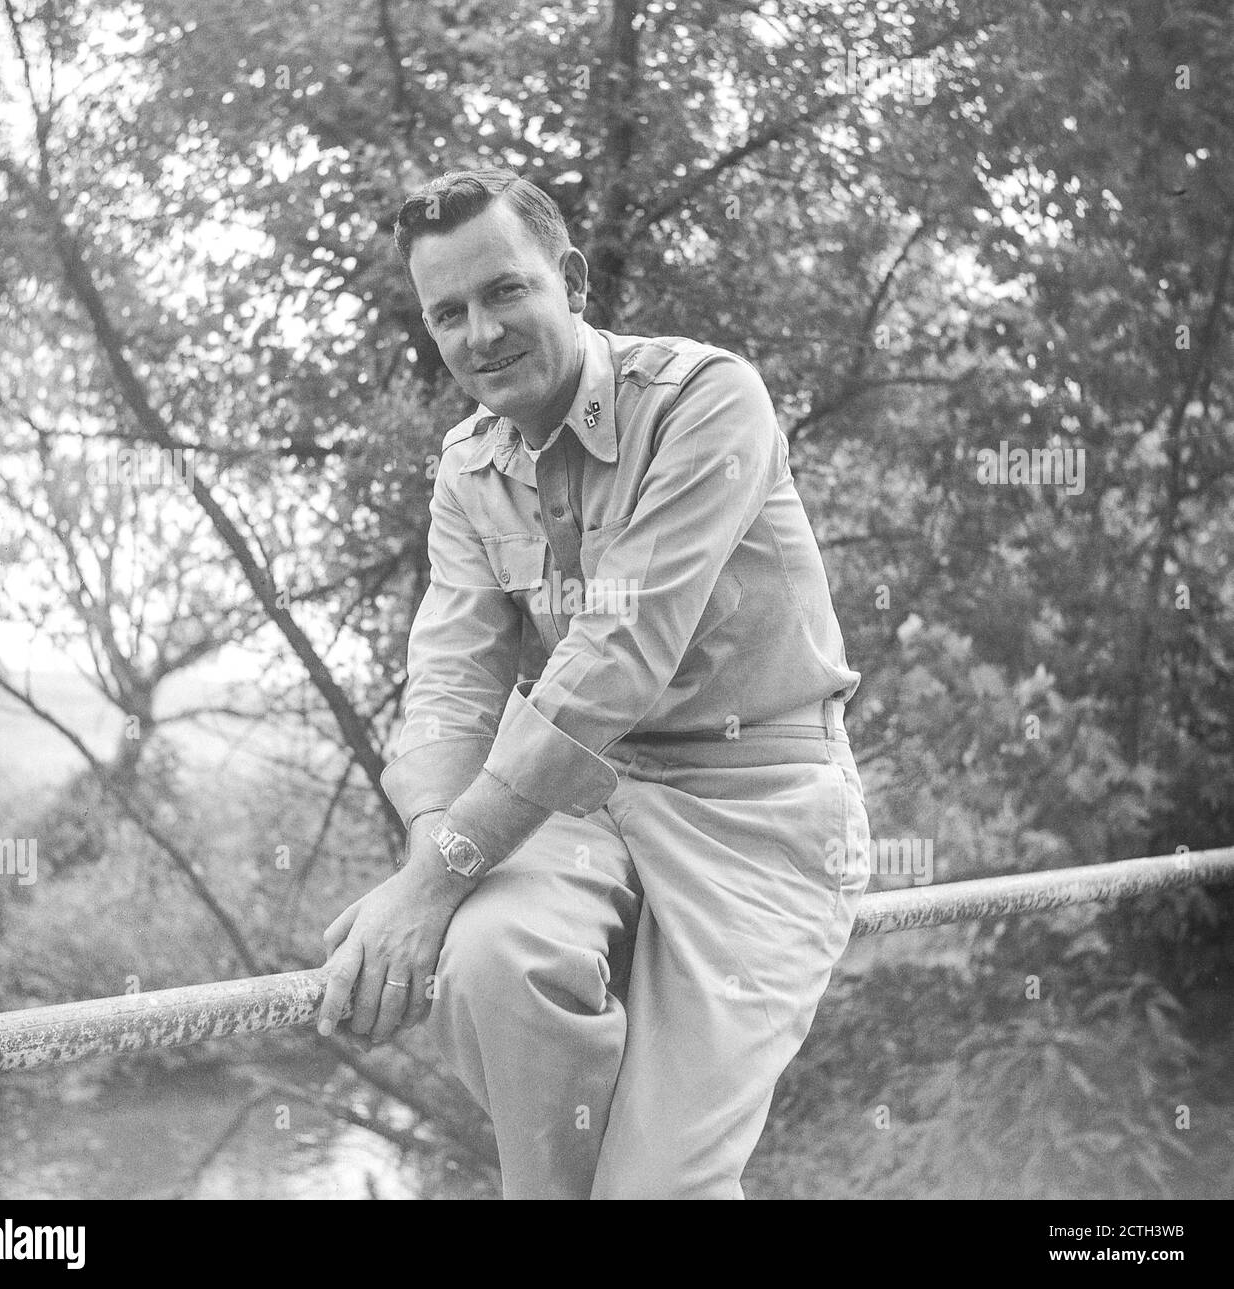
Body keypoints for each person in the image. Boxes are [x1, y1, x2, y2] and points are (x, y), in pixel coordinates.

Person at [318, 168, 870, 1199]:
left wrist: (433, 879)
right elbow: (449, 684)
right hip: (590, 801)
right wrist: (427, 870)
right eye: (448, 312)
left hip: (761, 806)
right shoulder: (468, 466)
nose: (479, 333)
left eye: (504, 292)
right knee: (486, 957)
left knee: (657, 1187)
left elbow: (614, 657)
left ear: (568, 277)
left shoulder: (707, 399)